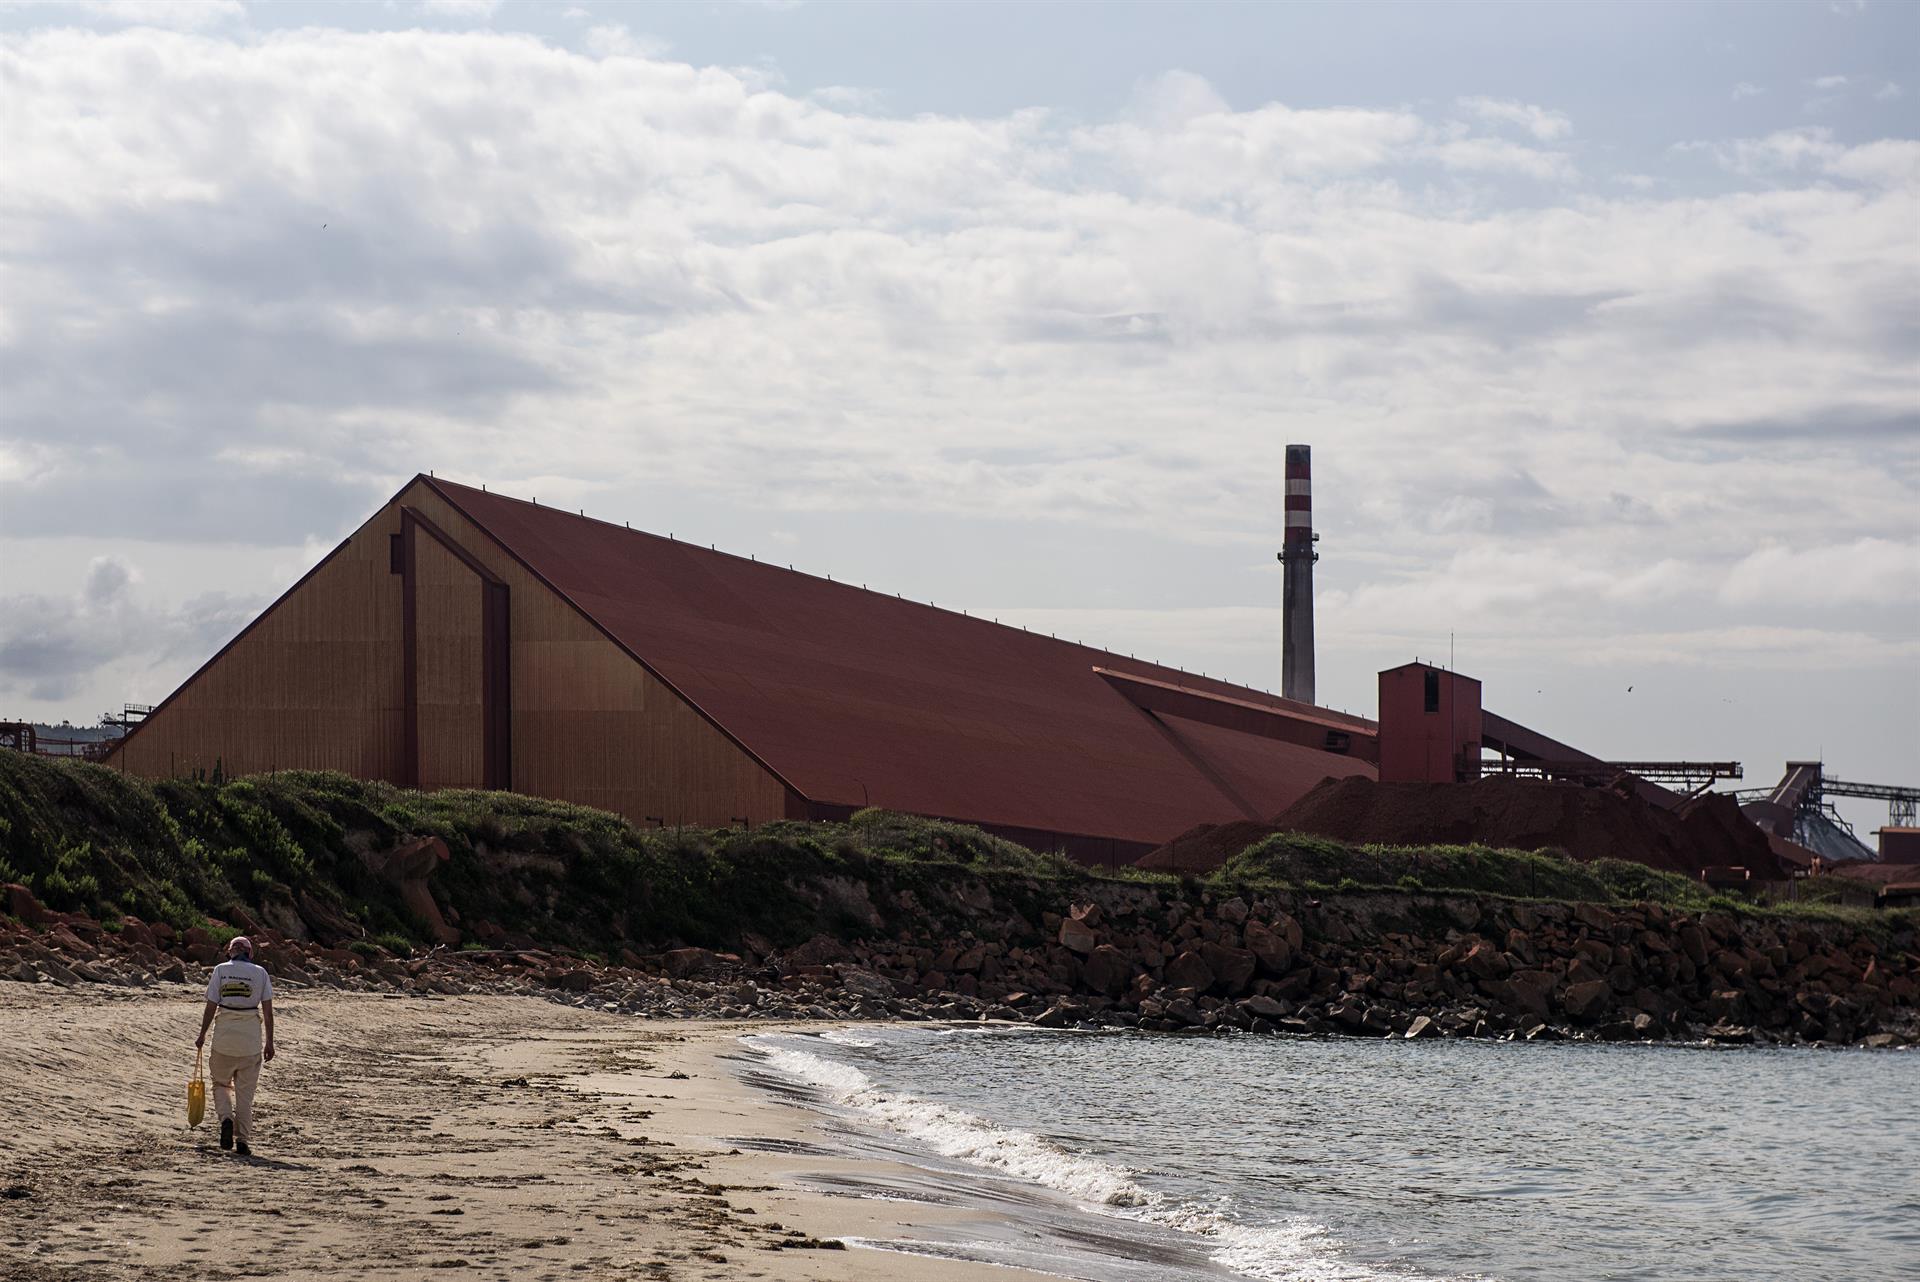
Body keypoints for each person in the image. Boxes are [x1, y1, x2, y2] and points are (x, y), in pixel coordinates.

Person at [194, 935, 275, 1156]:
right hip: (250, 1041)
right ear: (249, 953)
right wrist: (270, 1042)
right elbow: (267, 1011)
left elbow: (211, 1006)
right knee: (245, 1095)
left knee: (220, 1084)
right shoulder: (260, 973)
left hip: (224, 1039)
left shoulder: (220, 970)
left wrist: (202, 1034)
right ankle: (243, 1140)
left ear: (231, 952)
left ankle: (226, 1118)